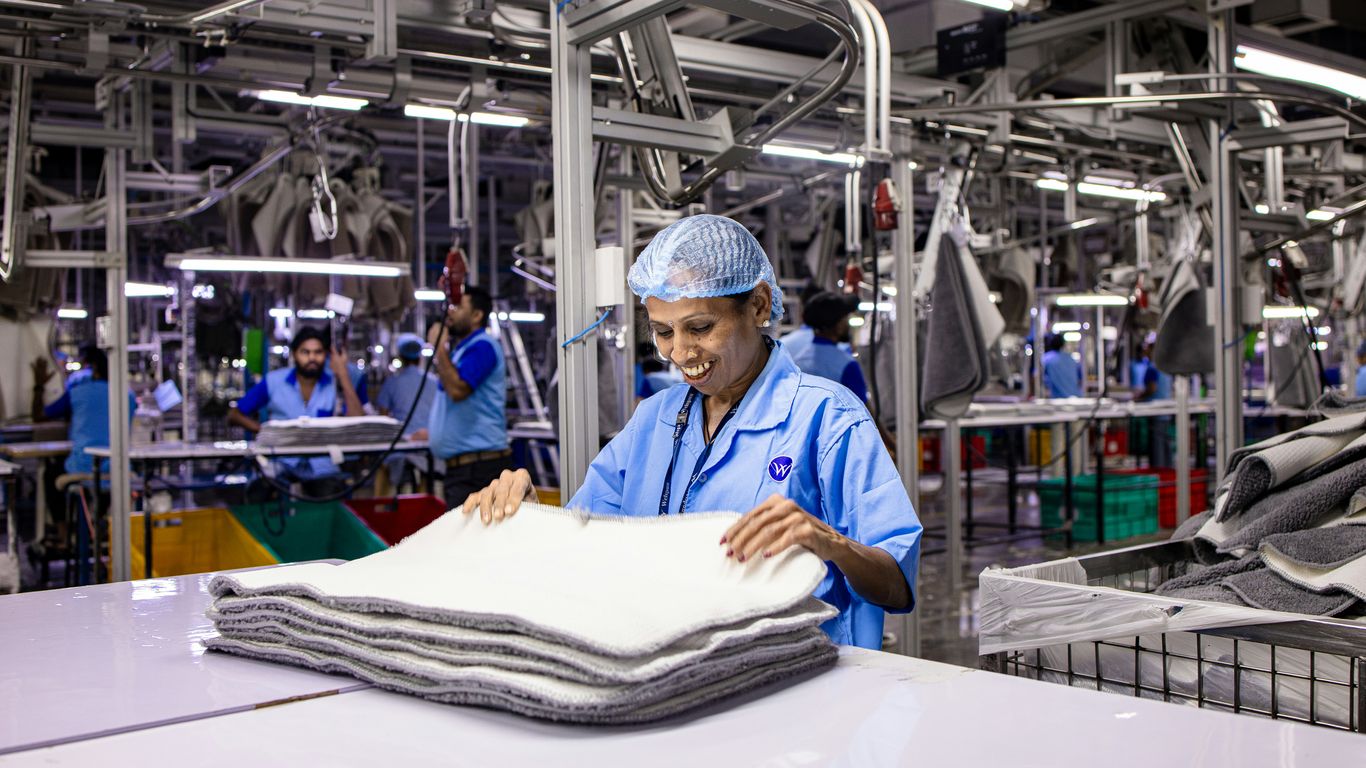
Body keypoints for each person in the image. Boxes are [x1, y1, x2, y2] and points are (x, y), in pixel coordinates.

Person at [460, 214, 921, 650]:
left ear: (758, 305)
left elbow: (896, 587)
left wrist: (831, 542)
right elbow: (585, 536)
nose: (679, 353)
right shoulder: (653, 420)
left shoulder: (828, 418)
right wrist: (530, 516)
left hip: (797, 685)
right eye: (662, 332)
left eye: (700, 327)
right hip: (671, 674)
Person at [228, 326, 364, 488]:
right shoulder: (274, 382)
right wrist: (265, 432)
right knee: (261, 489)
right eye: (305, 352)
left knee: (330, 492)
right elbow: (234, 415)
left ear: (326, 355)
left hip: (322, 464)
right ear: (294, 354)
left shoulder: (334, 384)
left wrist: (343, 374)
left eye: (318, 352)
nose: (312, 358)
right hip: (281, 459)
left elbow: (358, 422)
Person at [414, 285, 509, 509]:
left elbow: (458, 390)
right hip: (465, 468)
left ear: (477, 315)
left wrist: (439, 349)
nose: (450, 311)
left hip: (478, 470)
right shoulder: (462, 351)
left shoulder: (483, 346)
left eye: (458, 306)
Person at [30, 346, 136, 477]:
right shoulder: (129, 396)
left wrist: (39, 385)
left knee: (50, 473)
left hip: (84, 466)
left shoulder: (77, 393)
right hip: (121, 469)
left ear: (92, 367)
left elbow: (38, 416)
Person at [376, 333, 439, 491]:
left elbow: (383, 419)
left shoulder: (392, 383)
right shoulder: (434, 382)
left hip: (401, 448)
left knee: (382, 470)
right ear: (420, 357)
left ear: (400, 357)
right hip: (429, 447)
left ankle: (384, 508)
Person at [788, 291, 868, 403]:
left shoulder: (796, 364)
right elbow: (864, 413)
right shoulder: (846, 365)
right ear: (838, 325)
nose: (847, 323)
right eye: (845, 318)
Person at [1042, 332, 1083, 398]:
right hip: (1076, 396)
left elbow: (1038, 377)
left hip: (1058, 399)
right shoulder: (1071, 358)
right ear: (1063, 344)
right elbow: (1080, 379)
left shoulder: (1046, 359)